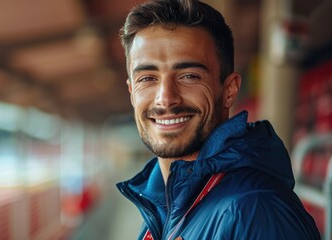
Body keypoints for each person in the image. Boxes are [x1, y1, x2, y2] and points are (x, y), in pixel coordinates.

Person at [116, 0, 321, 239]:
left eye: (189, 76)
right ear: (132, 92)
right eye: (147, 78)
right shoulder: (160, 210)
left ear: (229, 90)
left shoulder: (257, 210)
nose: (165, 99)